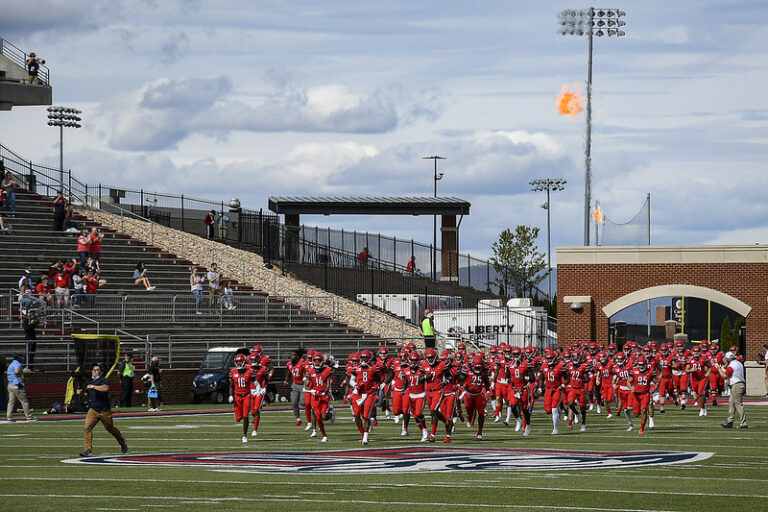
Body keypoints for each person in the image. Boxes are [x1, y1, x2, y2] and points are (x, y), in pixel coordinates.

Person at [80, 362, 128, 457]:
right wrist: (81, 392)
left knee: (110, 428)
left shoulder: (103, 380)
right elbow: (86, 394)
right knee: (87, 428)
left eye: (97, 370)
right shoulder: (91, 382)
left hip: (104, 410)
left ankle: (122, 441)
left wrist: (93, 387)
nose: (95, 372)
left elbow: (105, 388)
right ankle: (88, 450)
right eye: (94, 370)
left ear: (101, 372)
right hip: (93, 410)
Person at [716, 351, 748, 429]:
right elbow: (730, 373)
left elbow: (724, 376)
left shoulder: (731, 366)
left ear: (727, 358)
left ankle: (743, 423)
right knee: (731, 403)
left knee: (738, 404)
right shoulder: (738, 363)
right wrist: (722, 369)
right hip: (739, 383)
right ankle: (730, 421)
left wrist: (719, 369)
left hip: (736, 385)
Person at [228, 354, 254, 442]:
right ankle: (239, 416)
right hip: (237, 396)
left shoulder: (250, 371)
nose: (238, 363)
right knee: (238, 418)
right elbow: (231, 386)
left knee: (246, 416)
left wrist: (257, 390)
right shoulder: (233, 372)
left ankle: (244, 435)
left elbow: (255, 382)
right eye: (237, 362)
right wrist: (231, 395)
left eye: (240, 361)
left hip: (246, 395)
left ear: (244, 362)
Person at [6, 353, 35, 422]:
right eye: (21, 357)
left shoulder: (11, 364)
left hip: (10, 385)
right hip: (17, 385)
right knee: (24, 401)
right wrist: (21, 377)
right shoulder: (17, 364)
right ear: (18, 357)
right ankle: (29, 416)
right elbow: (16, 371)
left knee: (11, 402)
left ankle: (9, 417)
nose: (22, 358)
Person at [284, 351, 307, 426]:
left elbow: (306, 371)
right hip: (295, 384)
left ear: (297, 356)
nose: (291, 357)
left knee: (303, 403)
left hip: (303, 384)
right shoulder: (289, 364)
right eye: (291, 355)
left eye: (293, 355)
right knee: (294, 402)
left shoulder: (302, 362)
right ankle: (298, 419)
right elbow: (288, 372)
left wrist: (306, 380)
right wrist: (287, 380)